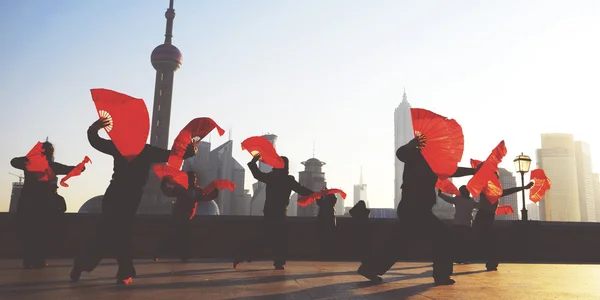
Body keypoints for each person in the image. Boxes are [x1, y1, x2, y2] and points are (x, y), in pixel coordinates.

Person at [70, 117, 196, 285]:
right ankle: (123, 271)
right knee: (121, 231)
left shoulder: (120, 146)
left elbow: (96, 141)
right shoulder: (146, 150)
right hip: (130, 196)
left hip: (114, 193)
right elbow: (171, 155)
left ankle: (85, 265)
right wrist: (190, 151)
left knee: (107, 230)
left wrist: (94, 128)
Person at [357, 136, 479, 285]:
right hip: (414, 209)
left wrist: (474, 171)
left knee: (400, 242)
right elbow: (400, 154)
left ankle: (369, 267)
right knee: (443, 236)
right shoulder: (415, 155)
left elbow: (453, 170)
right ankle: (441, 275)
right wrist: (409, 145)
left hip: (415, 209)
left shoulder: (434, 162)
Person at [234, 154, 313, 270]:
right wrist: (316, 195)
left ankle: (244, 256)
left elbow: (257, 174)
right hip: (280, 213)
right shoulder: (287, 180)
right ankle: (278, 262)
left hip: (270, 212)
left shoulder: (272, 177)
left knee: (266, 238)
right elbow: (302, 190)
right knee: (279, 239)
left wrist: (253, 161)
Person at [10, 141, 79, 269]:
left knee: (29, 233)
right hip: (43, 205)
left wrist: (28, 158)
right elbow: (69, 169)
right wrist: (80, 167)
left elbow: (13, 161)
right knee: (41, 233)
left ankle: (28, 260)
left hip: (27, 203)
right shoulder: (51, 166)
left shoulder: (29, 163)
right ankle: (39, 260)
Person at [473, 172, 533, 271]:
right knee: (487, 240)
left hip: (488, 217)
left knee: (488, 240)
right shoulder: (485, 189)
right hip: (483, 216)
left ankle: (491, 262)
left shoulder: (494, 191)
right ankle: (491, 261)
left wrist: (523, 187)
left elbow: (508, 191)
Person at [153, 171, 219, 262]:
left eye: (194, 178)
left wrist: (215, 193)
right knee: (173, 236)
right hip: (178, 216)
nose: (193, 180)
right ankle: (160, 253)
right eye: (191, 178)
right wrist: (164, 184)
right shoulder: (182, 189)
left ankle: (182, 256)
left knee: (184, 237)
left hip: (187, 217)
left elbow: (206, 197)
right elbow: (169, 192)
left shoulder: (197, 191)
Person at [438, 186, 478, 264]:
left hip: (457, 224)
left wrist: (441, 194)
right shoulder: (471, 201)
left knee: (457, 243)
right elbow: (479, 205)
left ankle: (457, 258)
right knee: (464, 243)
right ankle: (464, 258)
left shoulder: (458, 199)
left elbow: (449, 199)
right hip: (466, 225)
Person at [316, 191, 338, 259]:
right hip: (330, 224)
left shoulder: (324, 204)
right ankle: (330, 254)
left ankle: (323, 254)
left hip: (323, 224)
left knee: (323, 240)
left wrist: (321, 196)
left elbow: (318, 201)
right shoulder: (331, 206)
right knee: (330, 240)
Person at [349, 201, 371, 265]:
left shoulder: (358, 212)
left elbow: (350, 212)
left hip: (358, 228)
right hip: (365, 229)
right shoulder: (367, 211)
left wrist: (355, 206)